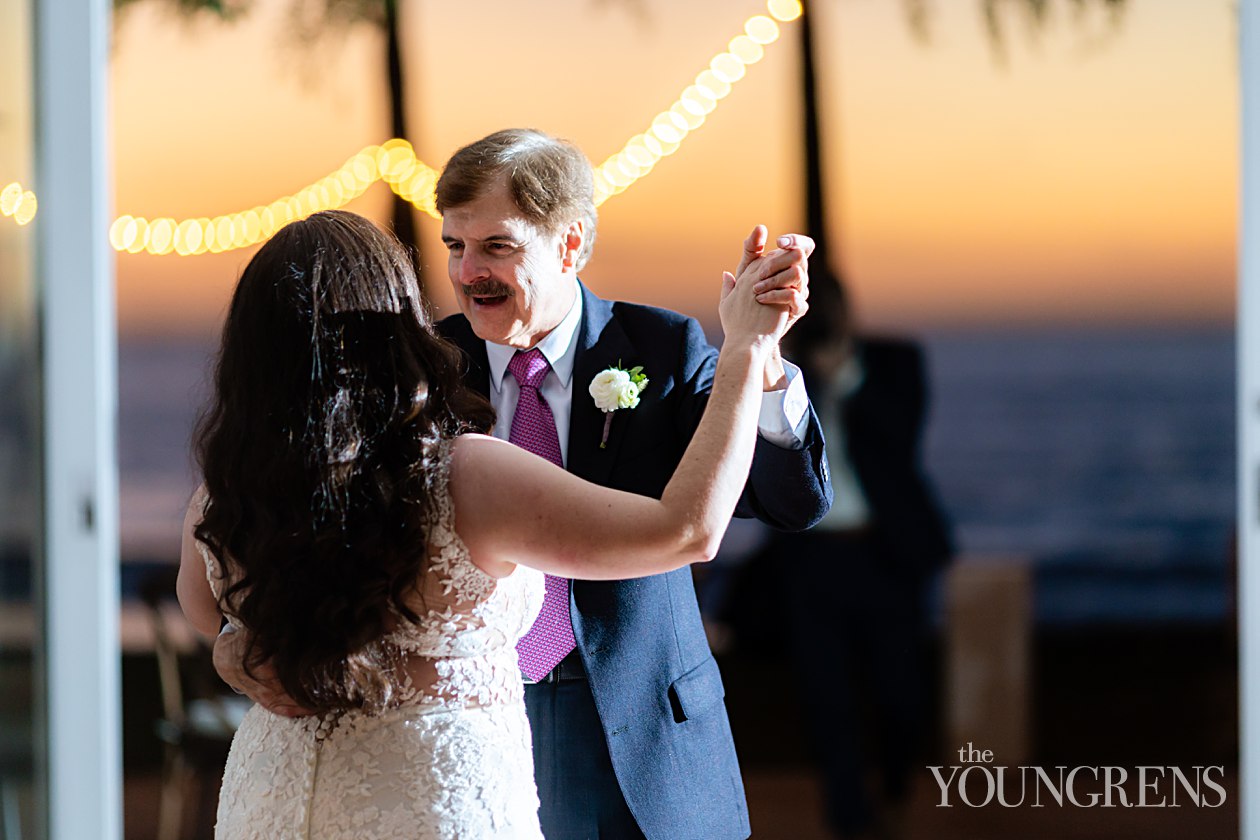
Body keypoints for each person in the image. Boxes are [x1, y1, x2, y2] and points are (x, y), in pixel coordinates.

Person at [214, 128, 832, 839]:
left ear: (569, 244)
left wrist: (764, 368)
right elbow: (314, 514)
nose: (467, 271)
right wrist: (242, 634)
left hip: (642, 732)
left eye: (496, 247)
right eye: (454, 246)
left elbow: (791, 502)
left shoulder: (662, 349)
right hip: (464, 727)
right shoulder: (419, 372)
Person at [776, 273, 953, 840]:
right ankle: (849, 819)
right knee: (826, 701)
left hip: (885, 555)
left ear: (846, 309)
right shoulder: (783, 373)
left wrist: (843, 376)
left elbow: (902, 436)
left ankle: (897, 788)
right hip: (811, 561)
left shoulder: (895, 360)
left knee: (902, 693)